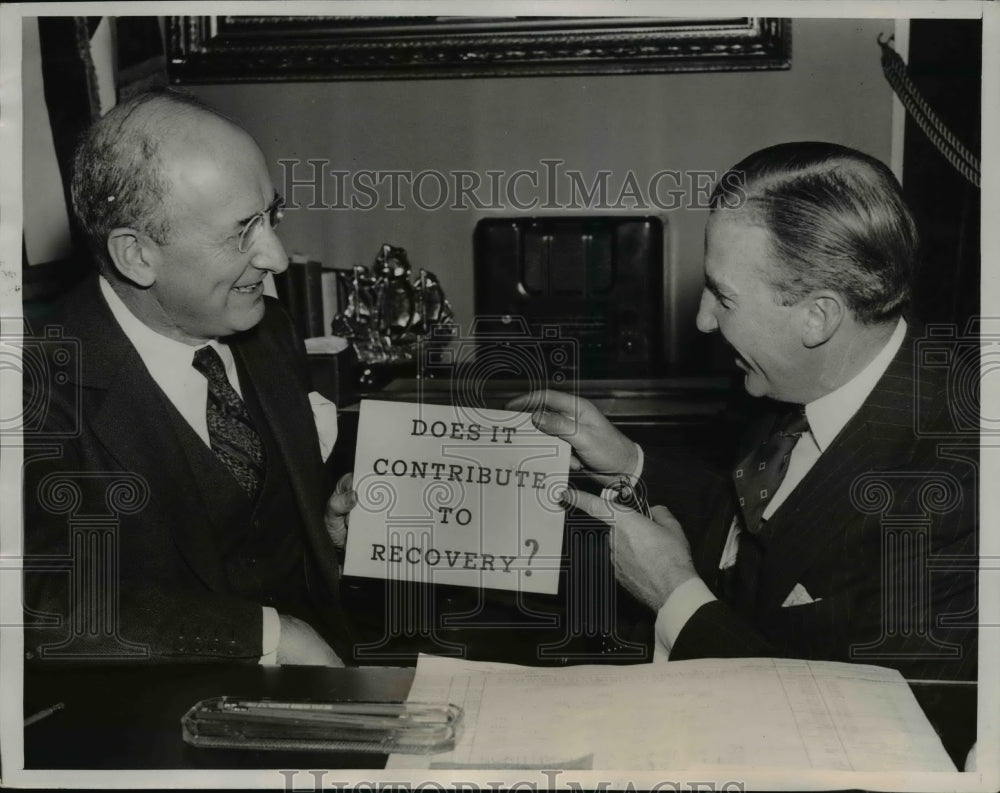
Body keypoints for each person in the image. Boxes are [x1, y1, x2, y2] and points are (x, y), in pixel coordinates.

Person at [509, 142, 977, 681]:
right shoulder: (800, 377)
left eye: (723, 297)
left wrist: (674, 595)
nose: (704, 320)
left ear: (818, 317)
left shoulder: (960, 494)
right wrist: (629, 463)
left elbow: (866, 721)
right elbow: (755, 525)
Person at [23, 89, 356, 665]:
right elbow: (35, 605)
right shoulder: (33, 386)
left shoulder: (268, 328)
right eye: (242, 231)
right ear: (136, 255)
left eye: (271, 216)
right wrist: (268, 636)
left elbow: (265, 541)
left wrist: (326, 534)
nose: (276, 257)